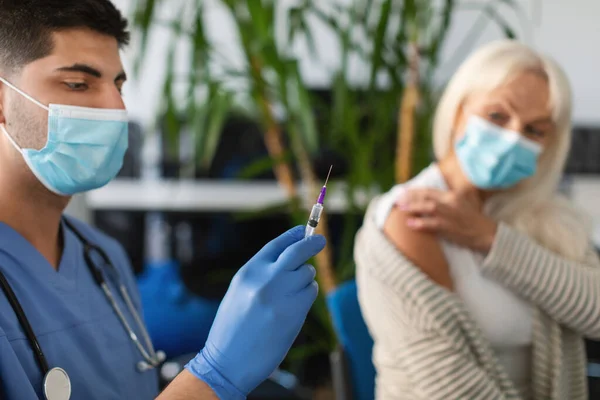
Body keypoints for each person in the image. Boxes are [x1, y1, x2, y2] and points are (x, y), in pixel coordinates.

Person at [0, 1, 325, 399]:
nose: (116, 108)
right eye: (78, 84)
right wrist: (216, 375)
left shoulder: (103, 259)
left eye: (118, 85)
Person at [354, 39, 600, 400]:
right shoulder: (407, 218)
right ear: (457, 112)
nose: (512, 137)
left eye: (534, 130)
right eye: (497, 116)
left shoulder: (543, 214)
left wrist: (491, 238)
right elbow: (452, 387)